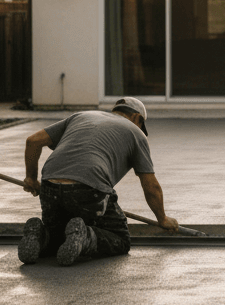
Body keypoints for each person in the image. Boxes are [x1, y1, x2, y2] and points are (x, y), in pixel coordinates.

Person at [18, 97, 178, 266]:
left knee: (59, 233)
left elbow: (33, 141)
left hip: (50, 185)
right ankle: (86, 236)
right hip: (89, 188)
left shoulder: (81, 116)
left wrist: (31, 179)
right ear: (137, 117)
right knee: (120, 240)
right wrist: (162, 218)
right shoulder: (136, 133)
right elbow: (151, 185)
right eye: (141, 124)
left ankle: (40, 236)